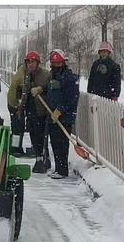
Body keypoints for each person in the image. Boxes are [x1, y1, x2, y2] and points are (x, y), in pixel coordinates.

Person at [7, 51, 51, 173]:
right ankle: (20, 150)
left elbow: (50, 90)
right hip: (23, 108)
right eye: (28, 62)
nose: (30, 64)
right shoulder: (26, 75)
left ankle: (43, 159)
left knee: (41, 135)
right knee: (27, 132)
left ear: (38, 63)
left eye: (33, 62)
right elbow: (24, 92)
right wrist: (19, 108)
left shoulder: (45, 75)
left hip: (41, 110)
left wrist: (41, 89)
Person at [47, 50, 79, 180]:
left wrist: (60, 110)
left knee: (62, 143)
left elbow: (71, 98)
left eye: (59, 63)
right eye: (54, 64)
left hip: (64, 117)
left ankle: (63, 170)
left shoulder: (69, 78)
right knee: (54, 142)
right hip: (53, 115)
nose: (56, 66)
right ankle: (58, 168)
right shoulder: (52, 75)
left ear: (63, 63)